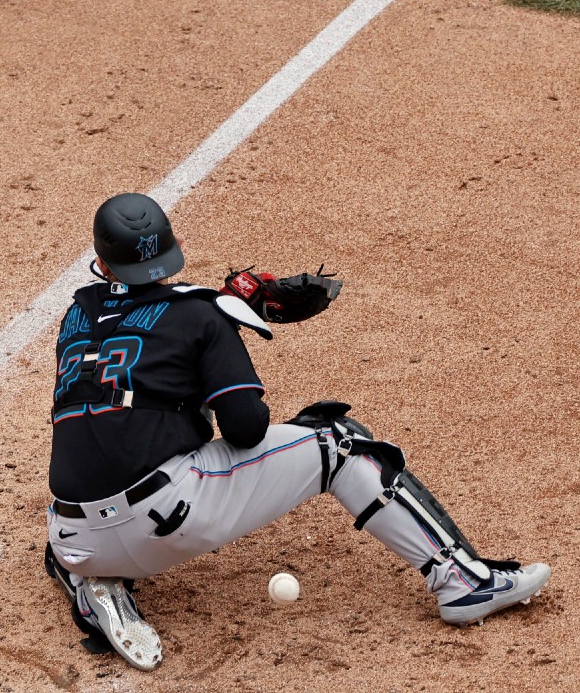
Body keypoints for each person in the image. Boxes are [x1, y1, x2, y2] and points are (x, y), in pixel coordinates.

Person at [43, 192, 552, 671]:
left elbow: (144, 336)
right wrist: (224, 328)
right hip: (164, 521)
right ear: (172, 252)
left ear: (103, 261)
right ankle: (463, 581)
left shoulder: (75, 315)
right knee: (341, 442)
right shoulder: (199, 316)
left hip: (72, 537)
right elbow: (246, 429)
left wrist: (207, 326)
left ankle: (87, 581)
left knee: (105, 436)